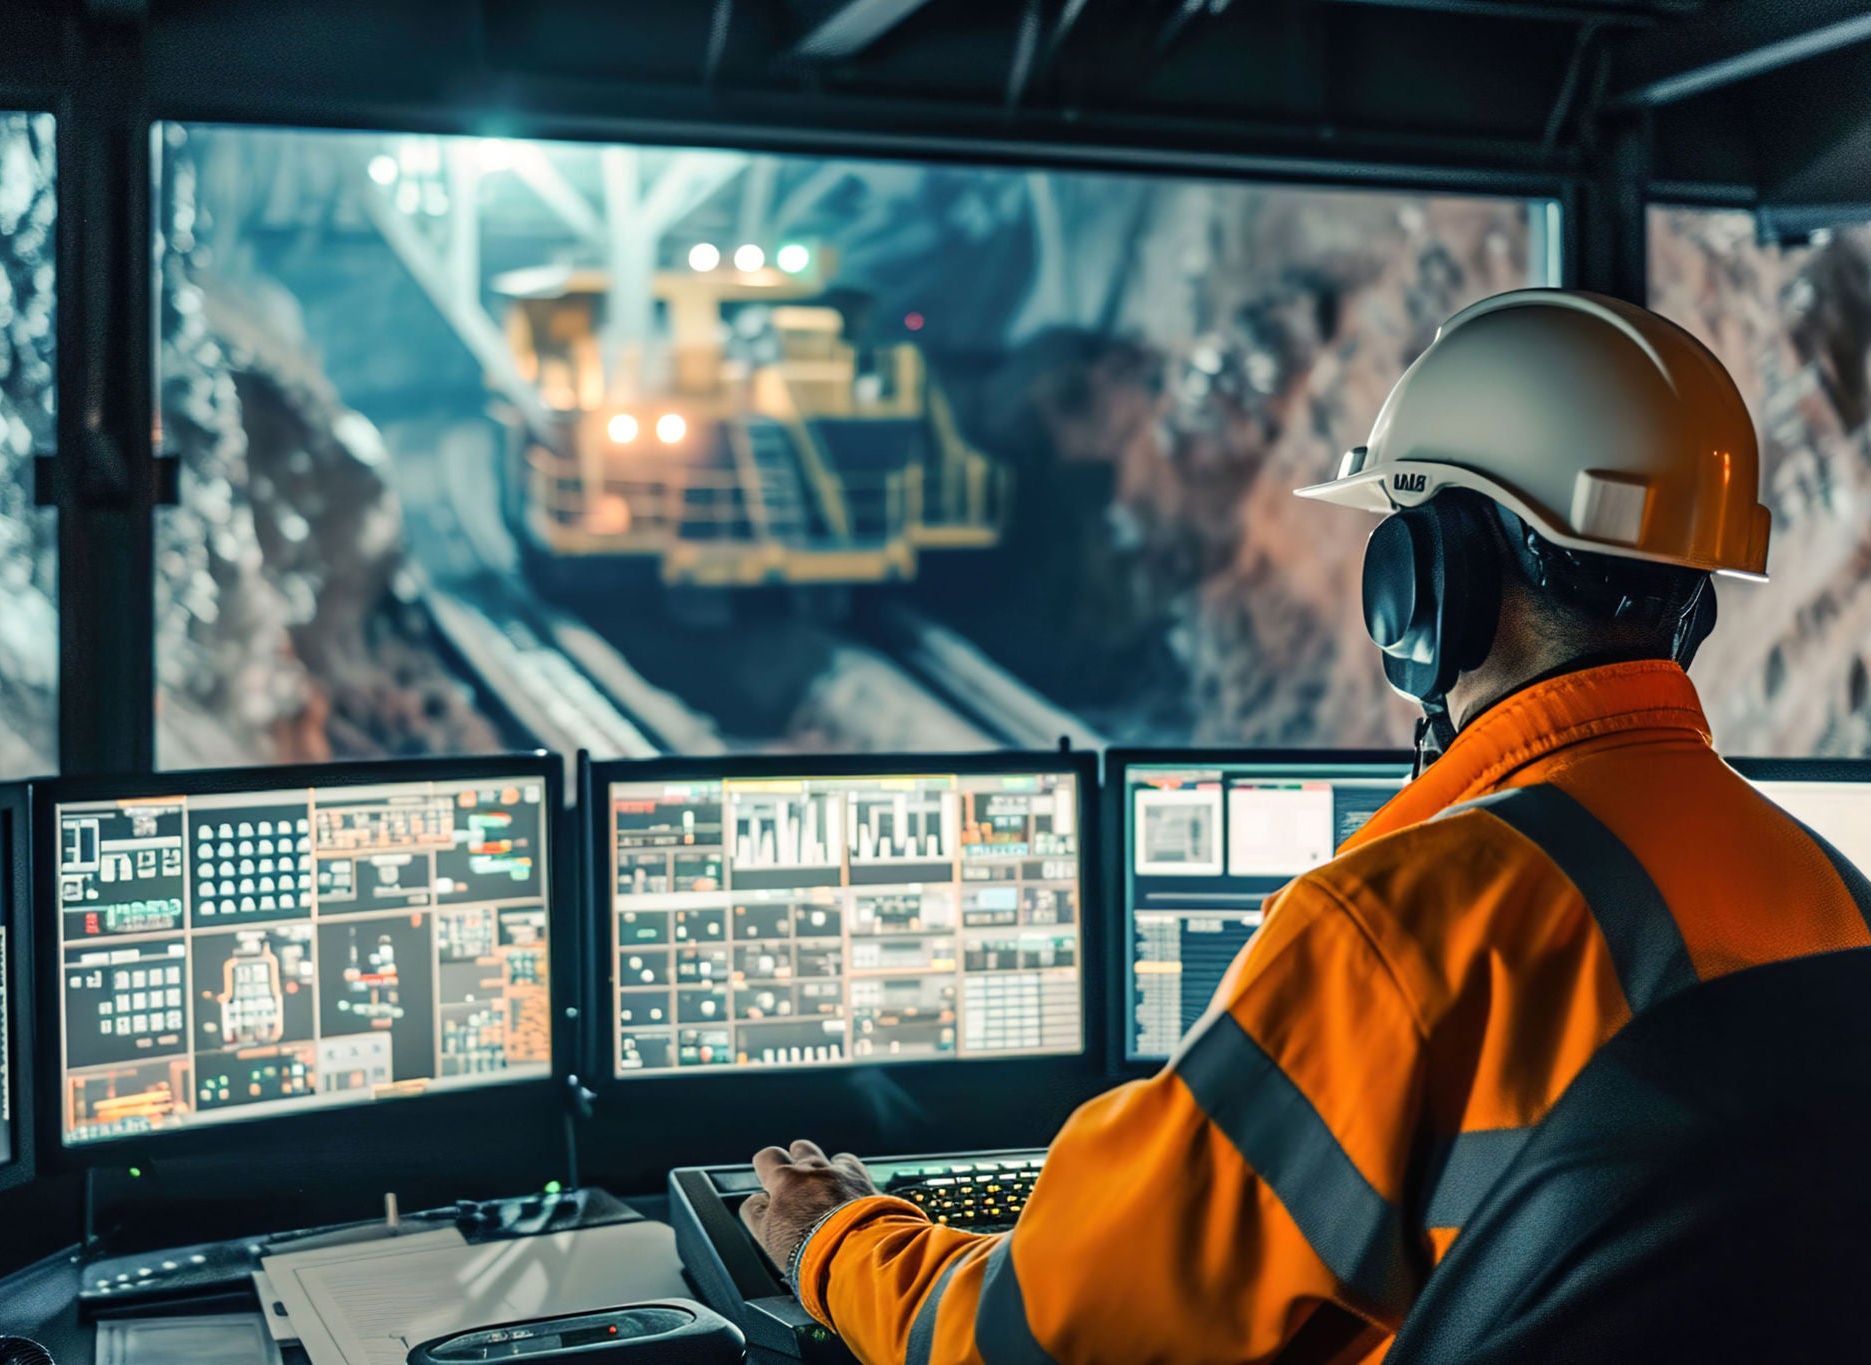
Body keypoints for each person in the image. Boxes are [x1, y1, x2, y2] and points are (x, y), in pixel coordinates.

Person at [738, 289, 1871, 1364]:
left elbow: (1050, 1336)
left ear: (1424, 583)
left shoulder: (1393, 929)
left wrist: (831, 1237)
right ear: (1694, 598)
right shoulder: (1830, 895)